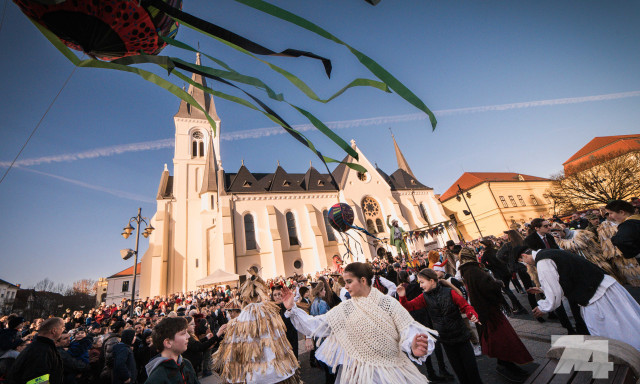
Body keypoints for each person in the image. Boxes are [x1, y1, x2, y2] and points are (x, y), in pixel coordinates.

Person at [283, 262, 437, 383]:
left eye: (349, 281)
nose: (346, 286)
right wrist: (293, 310)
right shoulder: (346, 308)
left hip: (392, 373)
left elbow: (407, 329)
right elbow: (316, 325)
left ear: (363, 280)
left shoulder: (387, 303)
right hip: (359, 375)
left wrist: (413, 345)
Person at [515, 247, 640, 351]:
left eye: (523, 261)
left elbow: (555, 292)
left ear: (524, 255)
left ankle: (630, 358)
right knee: (629, 320)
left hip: (596, 296)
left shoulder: (542, 261)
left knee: (615, 331)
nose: (527, 264)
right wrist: (542, 289)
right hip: (605, 287)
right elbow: (565, 278)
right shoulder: (549, 252)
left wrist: (544, 307)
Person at [457, 248, 533, 382]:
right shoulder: (474, 271)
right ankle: (505, 365)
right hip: (489, 312)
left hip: (485, 311)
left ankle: (507, 364)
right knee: (503, 340)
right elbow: (488, 288)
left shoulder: (467, 271)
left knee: (500, 340)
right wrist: (497, 284)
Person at [212, 268, 300, 384]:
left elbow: (231, 350)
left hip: (250, 374)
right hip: (275, 371)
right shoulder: (270, 313)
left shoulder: (238, 320)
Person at [397, 268, 483, 384]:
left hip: (462, 338)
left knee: (473, 374)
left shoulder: (449, 292)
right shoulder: (424, 297)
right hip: (447, 342)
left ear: (432, 281)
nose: (420, 286)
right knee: (461, 375)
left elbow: (465, 306)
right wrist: (402, 296)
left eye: (422, 282)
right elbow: (409, 306)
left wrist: (471, 314)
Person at [8, 317, 64, 384]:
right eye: (62, 327)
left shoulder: (39, 347)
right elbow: (36, 380)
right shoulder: (42, 352)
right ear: (54, 330)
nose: (63, 330)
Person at [145, 317, 199, 384]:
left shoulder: (186, 364)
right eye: (183, 333)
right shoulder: (157, 378)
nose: (188, 336)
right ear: (168, 342)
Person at [480, 239, 527, 314]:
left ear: (485, 245)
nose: (482, 246)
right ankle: (516, 306)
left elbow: (482, 264)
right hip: (506, 271)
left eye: (483, 245)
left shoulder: (486, 253)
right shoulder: (496, 250)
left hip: (499, 273)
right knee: (507, 289)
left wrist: (490, 267)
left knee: (506, 290)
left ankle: (519, 307)